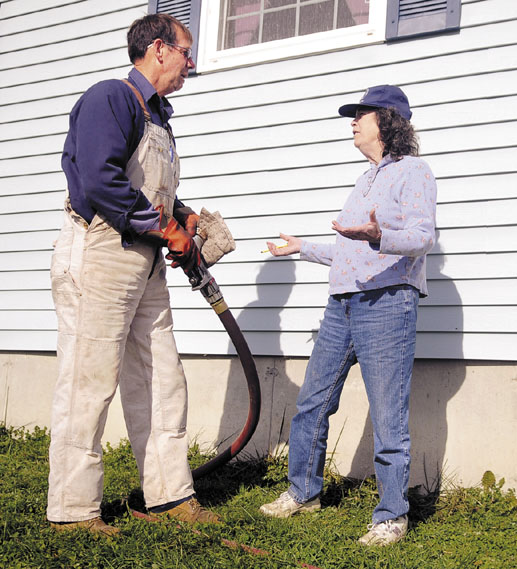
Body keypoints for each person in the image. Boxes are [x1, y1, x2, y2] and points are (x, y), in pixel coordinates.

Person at [47, 13, 220, 537]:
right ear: (159, 50)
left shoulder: (159, 117)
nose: (191, 64)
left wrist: (184, 215)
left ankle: (170, 495)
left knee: (163, 380)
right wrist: (169, 231)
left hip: (142, 263)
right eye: (186, 53)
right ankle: (74, 511)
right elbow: (100, 180)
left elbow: (146, 184)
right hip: (100, 252)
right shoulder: (111, 98)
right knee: (88, 382)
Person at [259, 85, 437, 546]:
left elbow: (420, 237)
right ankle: (303, 493)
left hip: (387, 304)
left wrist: (380, 236)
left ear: (389, 120)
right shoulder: (366, 179)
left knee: (388, 416)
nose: (353, 122)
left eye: (361, 114)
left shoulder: (414, 171)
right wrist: (303, 247)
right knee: (312, 403)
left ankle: (391, 517)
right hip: (343, 303)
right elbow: (348, 248)